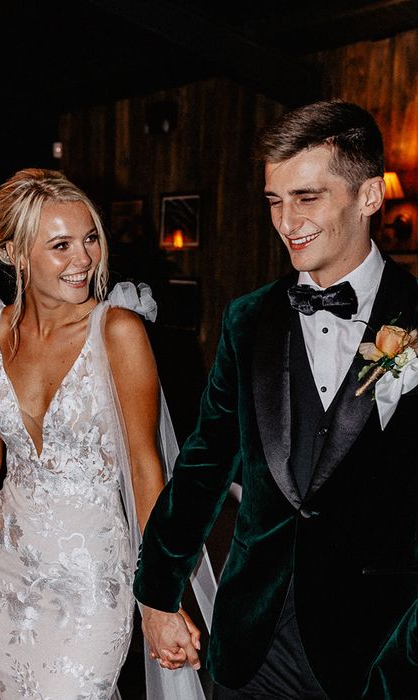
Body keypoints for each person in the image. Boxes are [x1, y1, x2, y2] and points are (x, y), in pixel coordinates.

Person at [133, 99, 418, 699]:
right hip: (253, 643)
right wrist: (157, 595)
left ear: (369, 196)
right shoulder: (248, 319)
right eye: (274, 201)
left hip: (380, 646)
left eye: (307, 198)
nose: (286, 221)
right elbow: (204, 468)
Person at [0, 168, 213, 698]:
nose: (84, 259)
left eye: (90, 238)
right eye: (61, 245)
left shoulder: (118, 332)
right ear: (15, 252)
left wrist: (161, 597)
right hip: (1, 572)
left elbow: (146, 469)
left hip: (92, 578)